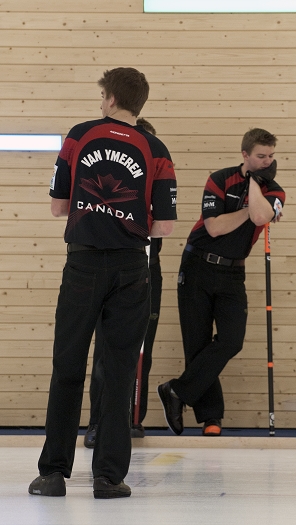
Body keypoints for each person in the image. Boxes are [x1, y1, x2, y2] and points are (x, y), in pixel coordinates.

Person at [28, 67, 177, 499]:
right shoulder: (156, 148)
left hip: (84, 264)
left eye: (101, 96)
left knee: (68, 366)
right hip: (133, 268)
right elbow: (164, 228)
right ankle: (109, 478)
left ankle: (54, 474)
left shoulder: (80, 134)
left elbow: (58, 208)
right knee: (117, 373)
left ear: (111, 98)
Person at [157, 128, 285, 437]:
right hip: (197, 264)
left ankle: (176, 391)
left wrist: (256, 184)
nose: (267, 161)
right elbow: (214, 227)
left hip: (233, 272)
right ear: (245, 155)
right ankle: (211, 418)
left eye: (270, 156)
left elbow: (261, 217)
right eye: (260, 156)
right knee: (197, 343)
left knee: (231, 340)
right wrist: (251, 209)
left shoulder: (275, 190)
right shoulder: (219, 179)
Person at [84, 118, 163, 446]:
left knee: (141, 347)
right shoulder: (111, 184)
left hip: (146, 272)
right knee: (105, 348)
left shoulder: (159, 183)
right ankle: (97, 423)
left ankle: (132, 420)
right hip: (109, 269)